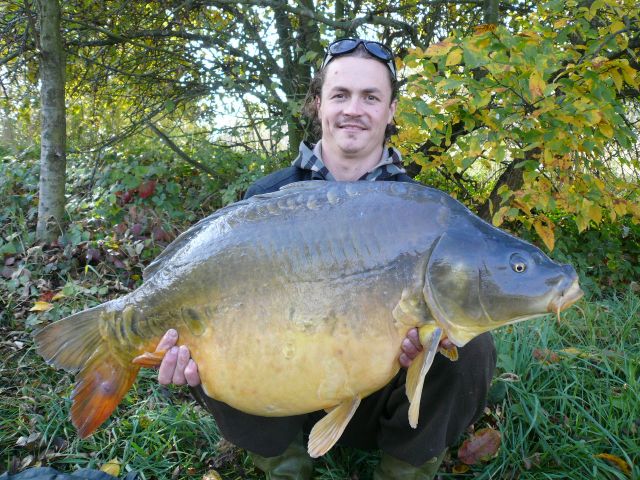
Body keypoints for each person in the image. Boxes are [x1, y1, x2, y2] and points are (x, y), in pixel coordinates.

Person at [154, 38, 497, 479]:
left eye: (370, 96)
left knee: (469, 342)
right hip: (283, 395)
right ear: (318, 104)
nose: (354, 109)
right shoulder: (266, 198)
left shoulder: (419, 213)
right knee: (211, 337)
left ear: (391, 110)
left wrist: (425, 343)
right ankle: (287, 467)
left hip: (380, 395)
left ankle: (404, 470)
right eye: (340, 95)